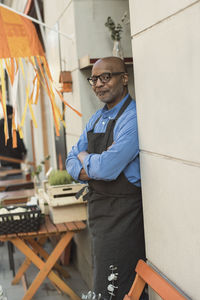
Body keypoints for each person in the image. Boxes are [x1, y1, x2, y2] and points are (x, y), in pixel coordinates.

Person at [66, 57, 146, 300]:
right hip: (99, 216)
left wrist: (85, 158)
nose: (98, 84)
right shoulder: (96, 118)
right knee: (103, 283)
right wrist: (87, 162)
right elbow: (71, 160)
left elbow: (108, 168)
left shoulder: (132, 118)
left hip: (124, 220)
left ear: (124, 78)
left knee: (118, 287)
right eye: (94, 79)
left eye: (105, 77)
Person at [0, 104, 27, 169]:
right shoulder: (13, 125)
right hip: (15, 160)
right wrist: (24, 152)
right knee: (17, 177)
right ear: (12, 114)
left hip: (3, 161)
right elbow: (19, 141)